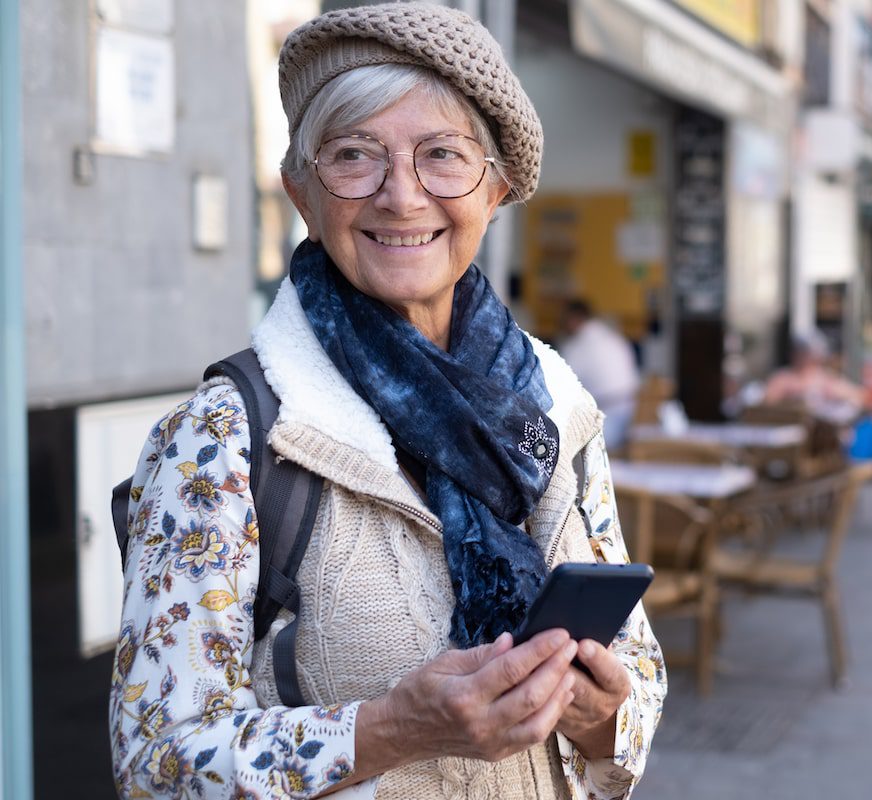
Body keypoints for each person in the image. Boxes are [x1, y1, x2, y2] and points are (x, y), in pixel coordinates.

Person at [109, 5, 665, 798]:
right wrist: (391, 730)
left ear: (496, 187)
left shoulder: (554, 406)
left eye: (442, 155)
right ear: (301, 192)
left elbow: (639, 675)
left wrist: (600, 716)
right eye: (352, 156)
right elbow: (155, 762)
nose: (402, 197)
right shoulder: (226, 435)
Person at [558, 300, 640, 448]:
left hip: (608, 423)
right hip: (632, 415)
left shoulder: (577, 346)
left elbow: (557, 388)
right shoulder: (613, 337)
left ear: (573, 318)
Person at [763, 332, 867, 426]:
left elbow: (859, 396)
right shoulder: (782, 378)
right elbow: (766, 401)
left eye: (805, 353)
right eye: (798, 352)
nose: (801, 357)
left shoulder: (826, 379)